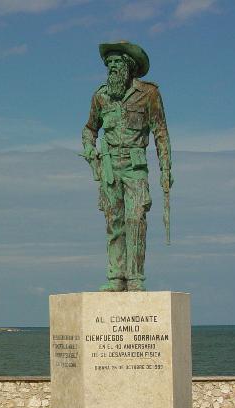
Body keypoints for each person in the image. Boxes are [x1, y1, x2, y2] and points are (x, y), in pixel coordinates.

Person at [82, 41, 173, 292]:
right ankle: (116, 277)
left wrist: (166, 169)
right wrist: (89, 147)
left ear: (129, 65)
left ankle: (135, 277)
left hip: (135, 167)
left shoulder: (149, 94)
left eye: (116, 62)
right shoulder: (100, 96)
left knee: (136, 220)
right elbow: (90, 128)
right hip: (110, 168)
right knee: (114, 223)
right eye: (108, 63)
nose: (111, 67)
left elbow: (161, 133)